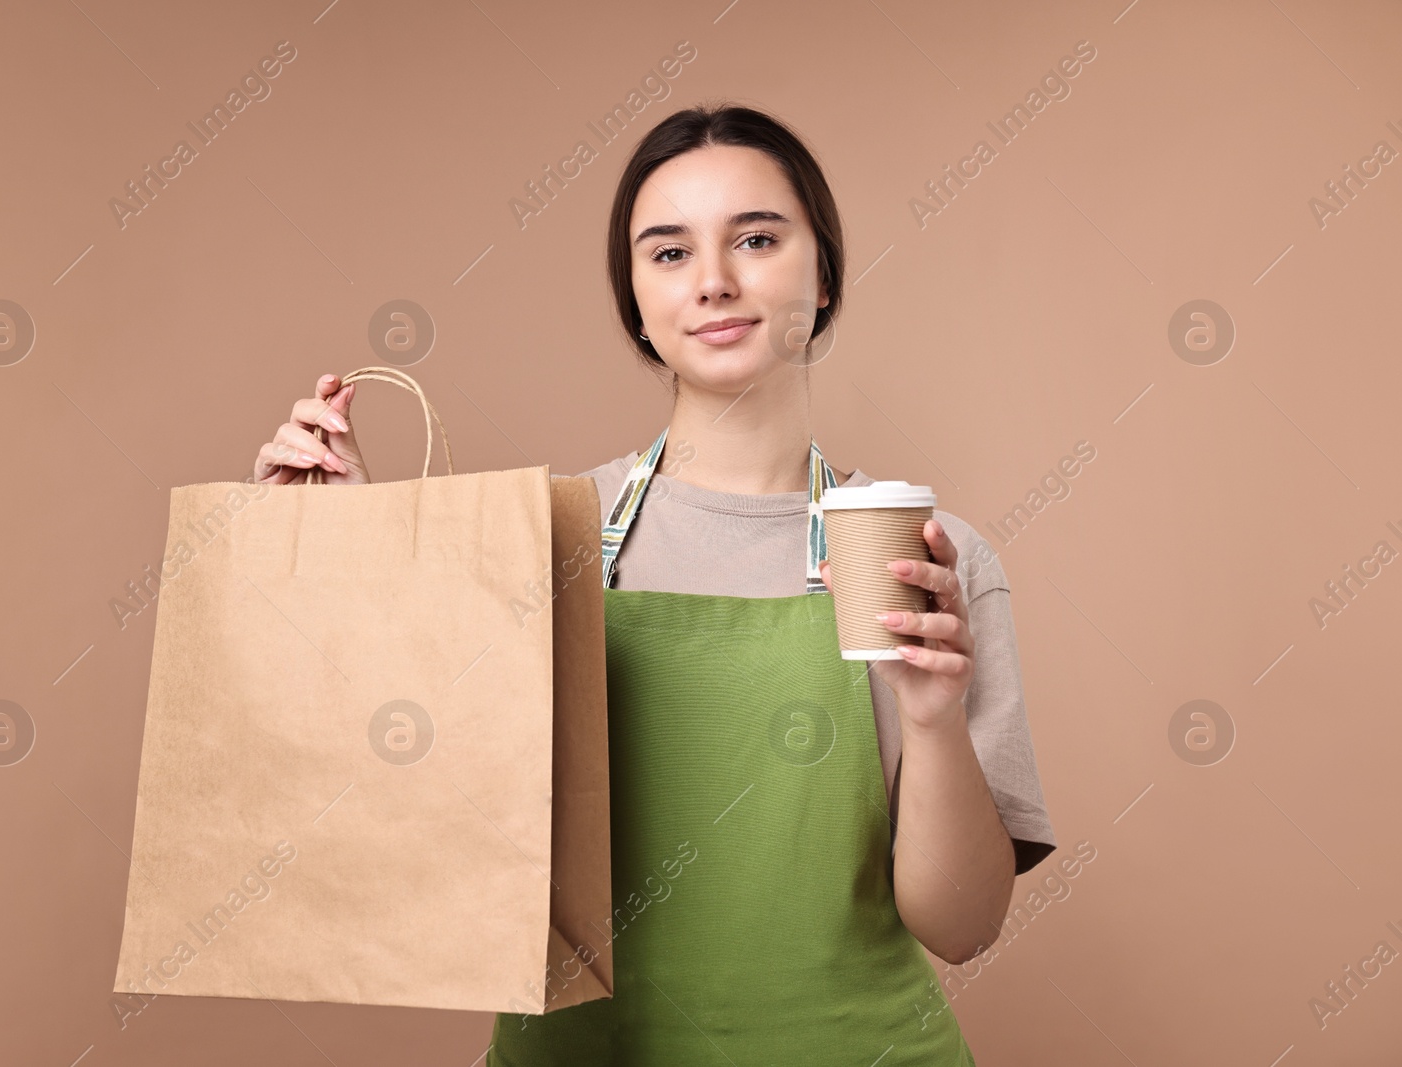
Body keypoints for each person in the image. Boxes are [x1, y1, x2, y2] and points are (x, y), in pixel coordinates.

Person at [252, 102, 1055, 1065]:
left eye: (756, 238)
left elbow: (962, 927)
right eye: (669, 253)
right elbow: (416, 819)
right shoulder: (535, 537)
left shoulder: (928, 555)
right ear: (635, 300)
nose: (714, 282)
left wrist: (930, 717)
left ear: (825, 275)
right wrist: (360, 554)